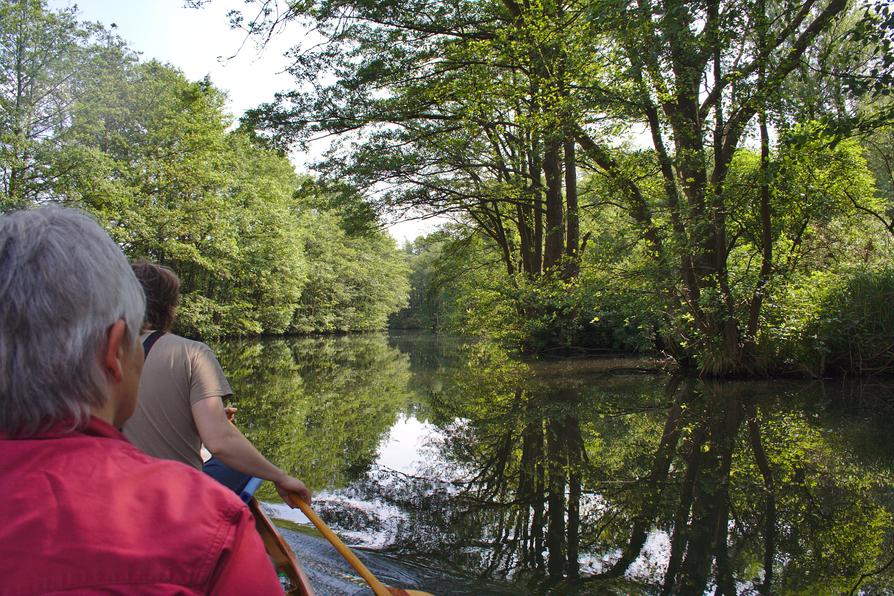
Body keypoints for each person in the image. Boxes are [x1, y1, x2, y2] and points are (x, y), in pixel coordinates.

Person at [0, 207, 282, 594]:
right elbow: (218, 441)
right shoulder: (208, 524)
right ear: (114, 352)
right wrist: (279, 476)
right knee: (239, 473)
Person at [123, 261, 311, 507]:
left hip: (118, 492)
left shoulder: (94, 352)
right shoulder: (192, 353)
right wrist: (280, 476)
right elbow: (220, 443)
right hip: (173, 503)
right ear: (170, 306)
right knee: (241, 465)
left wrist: (194, 417)